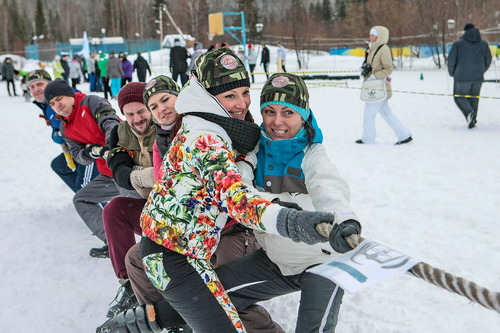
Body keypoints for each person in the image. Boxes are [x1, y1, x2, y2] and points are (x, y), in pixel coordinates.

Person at [98, 71, 362, 333]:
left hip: (321, 261)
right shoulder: (253, 147)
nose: (277, 122)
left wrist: (345, 220)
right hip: (276, 261)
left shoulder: (313, 155)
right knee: (210, 297)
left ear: (303, 114)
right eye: (269, 111)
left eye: (288, 112)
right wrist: (280, 212)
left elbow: (329, 188)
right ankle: (144, 321)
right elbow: (240, 189)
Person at [97, 58, 286, 333]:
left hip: (236, 228)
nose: (162, 110)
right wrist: (120, 163)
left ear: (185, 96)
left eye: (166, 100)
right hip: (192, 228)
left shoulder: (219, 128)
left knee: (221, 282)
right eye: (154, 107)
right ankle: (178, 320)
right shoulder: (164, 138)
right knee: (138, 257)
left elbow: (236, 188)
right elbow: (163, 186)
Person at [44, 78, 122, 258]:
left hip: (128, 165)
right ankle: (113, 243)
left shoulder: (91, 102)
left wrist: (110, 148)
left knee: (144, 205)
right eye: (53, 103)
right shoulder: (65, 127)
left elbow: (111, 123)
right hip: (108, 175)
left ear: (70, 94)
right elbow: (78, 155)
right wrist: (93, 152)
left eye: (60, 98)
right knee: (82, 199)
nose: (57, 105)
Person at [28, 70, 99, 192]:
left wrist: (64, 133)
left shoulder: (64, 95)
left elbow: (79, 102)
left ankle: (93, 202)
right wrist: (56, 134)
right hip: (74, 148)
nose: (36, 89)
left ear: (49, 84)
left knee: (85, 190)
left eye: (40, 84)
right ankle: (87, 201)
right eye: (32, 86)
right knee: (59, 166)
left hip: (90, 148)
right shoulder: (47, 105)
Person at [355, 26, 412, 145]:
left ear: (379, 36)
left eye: (373, 35)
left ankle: (368, 139)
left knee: (369, 113)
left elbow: (388, 69)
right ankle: (404, 135)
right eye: (370, 35)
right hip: (374, 87)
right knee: (386, 113)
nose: (370, 37)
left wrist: (375, 76)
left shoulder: (384, 49)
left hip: (380, 86)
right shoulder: (371, 48)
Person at [448, 23, 492, 129]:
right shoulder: (484, 44)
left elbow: (451, 60)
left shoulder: (458, 44)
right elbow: (488, 60)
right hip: (478, 77)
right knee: (474, 98)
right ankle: (473, 118)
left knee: (459, 97)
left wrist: (452, 72)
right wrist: (481, 71)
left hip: (461, 76)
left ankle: (469, 114)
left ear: (465, 31)